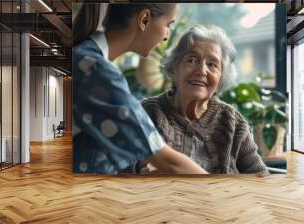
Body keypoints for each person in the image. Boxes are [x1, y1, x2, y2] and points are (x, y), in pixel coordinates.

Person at [72, 3, 208, 174]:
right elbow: (169, 162)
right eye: (168, 25)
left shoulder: (87, 59)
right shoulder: (95, 70)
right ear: (144, 19)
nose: (166, 36)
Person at [141, 25, 269, 175]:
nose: (201, 70)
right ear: (174, 68)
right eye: (192, 60)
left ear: (221, 78)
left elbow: (260, 178)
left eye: (212, 64)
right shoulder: (147, 112)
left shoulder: (233, 122)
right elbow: (124, 168)